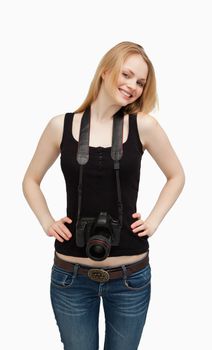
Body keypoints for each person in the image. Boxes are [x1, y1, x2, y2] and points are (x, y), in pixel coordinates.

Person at [22, 41, 185, 350]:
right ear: (105, 71)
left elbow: (177, 175)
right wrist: (46, 221)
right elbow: (30, 180)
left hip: (130, 278)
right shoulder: (61, 125)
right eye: (127, 75)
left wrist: (154, 220)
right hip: (71, 277)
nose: (133, 86)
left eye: (140, 82)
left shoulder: (144, 126)